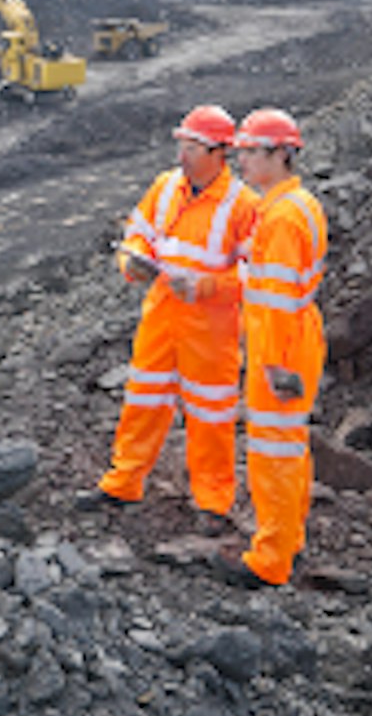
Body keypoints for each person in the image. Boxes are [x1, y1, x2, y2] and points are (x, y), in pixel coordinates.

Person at [77, 106, 258, 524]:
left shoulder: (242, 205)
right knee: (142, 401)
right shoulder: (165, 187)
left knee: (210, 416)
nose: (182, 156)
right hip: (160, 316)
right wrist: (132, 263)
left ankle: (213, 502)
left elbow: (256, 274)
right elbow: (137, 233)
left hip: (210, 330)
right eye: (182, 146)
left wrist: (206, 287)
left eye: (192, 148)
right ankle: (123, 484)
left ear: (219, 152)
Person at [216, 107, 328, 589]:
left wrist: (275, 367)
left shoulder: (282, 217)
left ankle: (271, 561)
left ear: (281, 154)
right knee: (288, 447)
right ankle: (288, 542)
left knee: (272, 452)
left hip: (280, 346)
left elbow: (278, 300)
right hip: (291, 338)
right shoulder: (292, 205)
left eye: (251, 151)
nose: (241, 160)